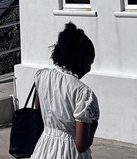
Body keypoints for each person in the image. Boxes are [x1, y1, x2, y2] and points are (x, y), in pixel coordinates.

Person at [30, 23, 99, 158]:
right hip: (69, 152)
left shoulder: (41, 77)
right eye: (90, 62)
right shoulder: (83, 93)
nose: (89, 68)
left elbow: (38, 111)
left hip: (44, 148)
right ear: (82, 60)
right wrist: (94, 123)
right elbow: (81, 145)